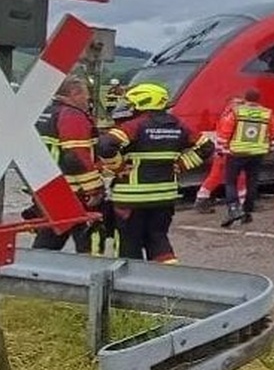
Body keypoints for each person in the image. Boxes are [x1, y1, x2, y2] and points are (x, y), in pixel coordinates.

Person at [96, 83, 214, 263]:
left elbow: (105, 146)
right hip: (164, 197)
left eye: (131, 103)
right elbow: (207, 147)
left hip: (131, 199)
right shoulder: (179, 125)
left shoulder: (134, 126)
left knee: (129, 245)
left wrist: (118, 167)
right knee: (158, 240)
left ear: (142, 102)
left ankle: (131, 286)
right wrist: (182, 164)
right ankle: (166, 284)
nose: (128, 107)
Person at [28, 77, 108, 254]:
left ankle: (34, 271)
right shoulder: (72, 115)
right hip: (75, 191)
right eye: (86, 95)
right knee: (91, 234)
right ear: (74, 94)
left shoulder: (44, 113)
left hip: (48, 187)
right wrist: (94, 189)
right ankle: (91, 275)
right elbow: (76, 156)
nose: (88, 100)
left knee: (49, 237)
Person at [218, 89, 274, 228]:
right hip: (257, 152)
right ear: (258, 99)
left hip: (237, 152)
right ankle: (247, 211)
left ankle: (233, 208)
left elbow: (226, 131)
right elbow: (272, 133)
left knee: (231, 181)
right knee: (252, 181)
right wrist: (270, 148)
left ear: (245, 98)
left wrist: (221, 147)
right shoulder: (267, 113)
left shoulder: (237, 111)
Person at [193, 95, 248, 213]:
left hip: (222, 152)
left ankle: (201, 200)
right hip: (230, 153)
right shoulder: (233, 117)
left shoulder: (225, 115)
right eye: (239, 103)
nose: (242, 106)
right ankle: (244, 203)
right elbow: (227, 136)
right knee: (241, 177)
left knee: (215, 177)